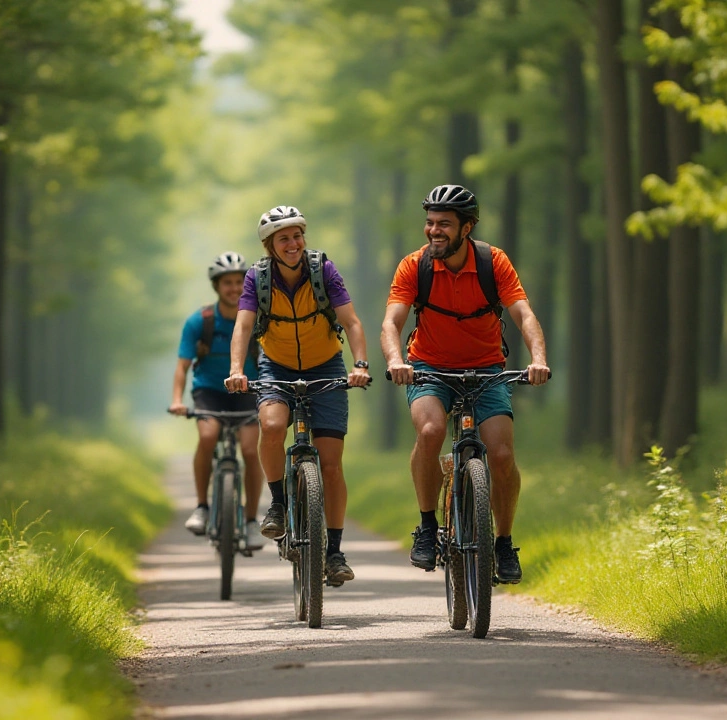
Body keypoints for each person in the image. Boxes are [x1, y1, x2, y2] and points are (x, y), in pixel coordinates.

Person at [381, 185, 550, 584]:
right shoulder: (414, 266)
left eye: (444, 224)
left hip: (487, 368)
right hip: (429, 368)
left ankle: (504, 543)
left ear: (467, 227)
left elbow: (524, 315)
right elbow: (392, 322)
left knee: (502, 455)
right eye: (430, 223)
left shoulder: (494, 262)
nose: (433, 231)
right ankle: (426, 527)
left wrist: (538, 359)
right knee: (431, 430)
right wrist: (395, 360)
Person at [225, 205, 372, 587]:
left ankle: (334, 551)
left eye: (297, 235)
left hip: (326, 367)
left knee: (331, 464)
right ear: (270, 245)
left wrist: (360, 364)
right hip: (276, 366)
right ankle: (277, 501)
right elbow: (242, 327)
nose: (293, 243)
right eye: (284, 238)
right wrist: (238, 370)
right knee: (272, 425)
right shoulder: (256, 278)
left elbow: (351, 321)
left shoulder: (323, 270)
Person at [170, 252, 264, 548]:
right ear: (216, 286)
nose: (234, 288)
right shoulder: (200, 321)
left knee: (250, 450)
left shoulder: (258, 318)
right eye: (227, 283)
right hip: (209, 390)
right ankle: (202, 506)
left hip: (248, 390)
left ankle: (250, 521)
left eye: (239, 282)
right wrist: (177, 400)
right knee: (208, 436)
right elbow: (183, 366)